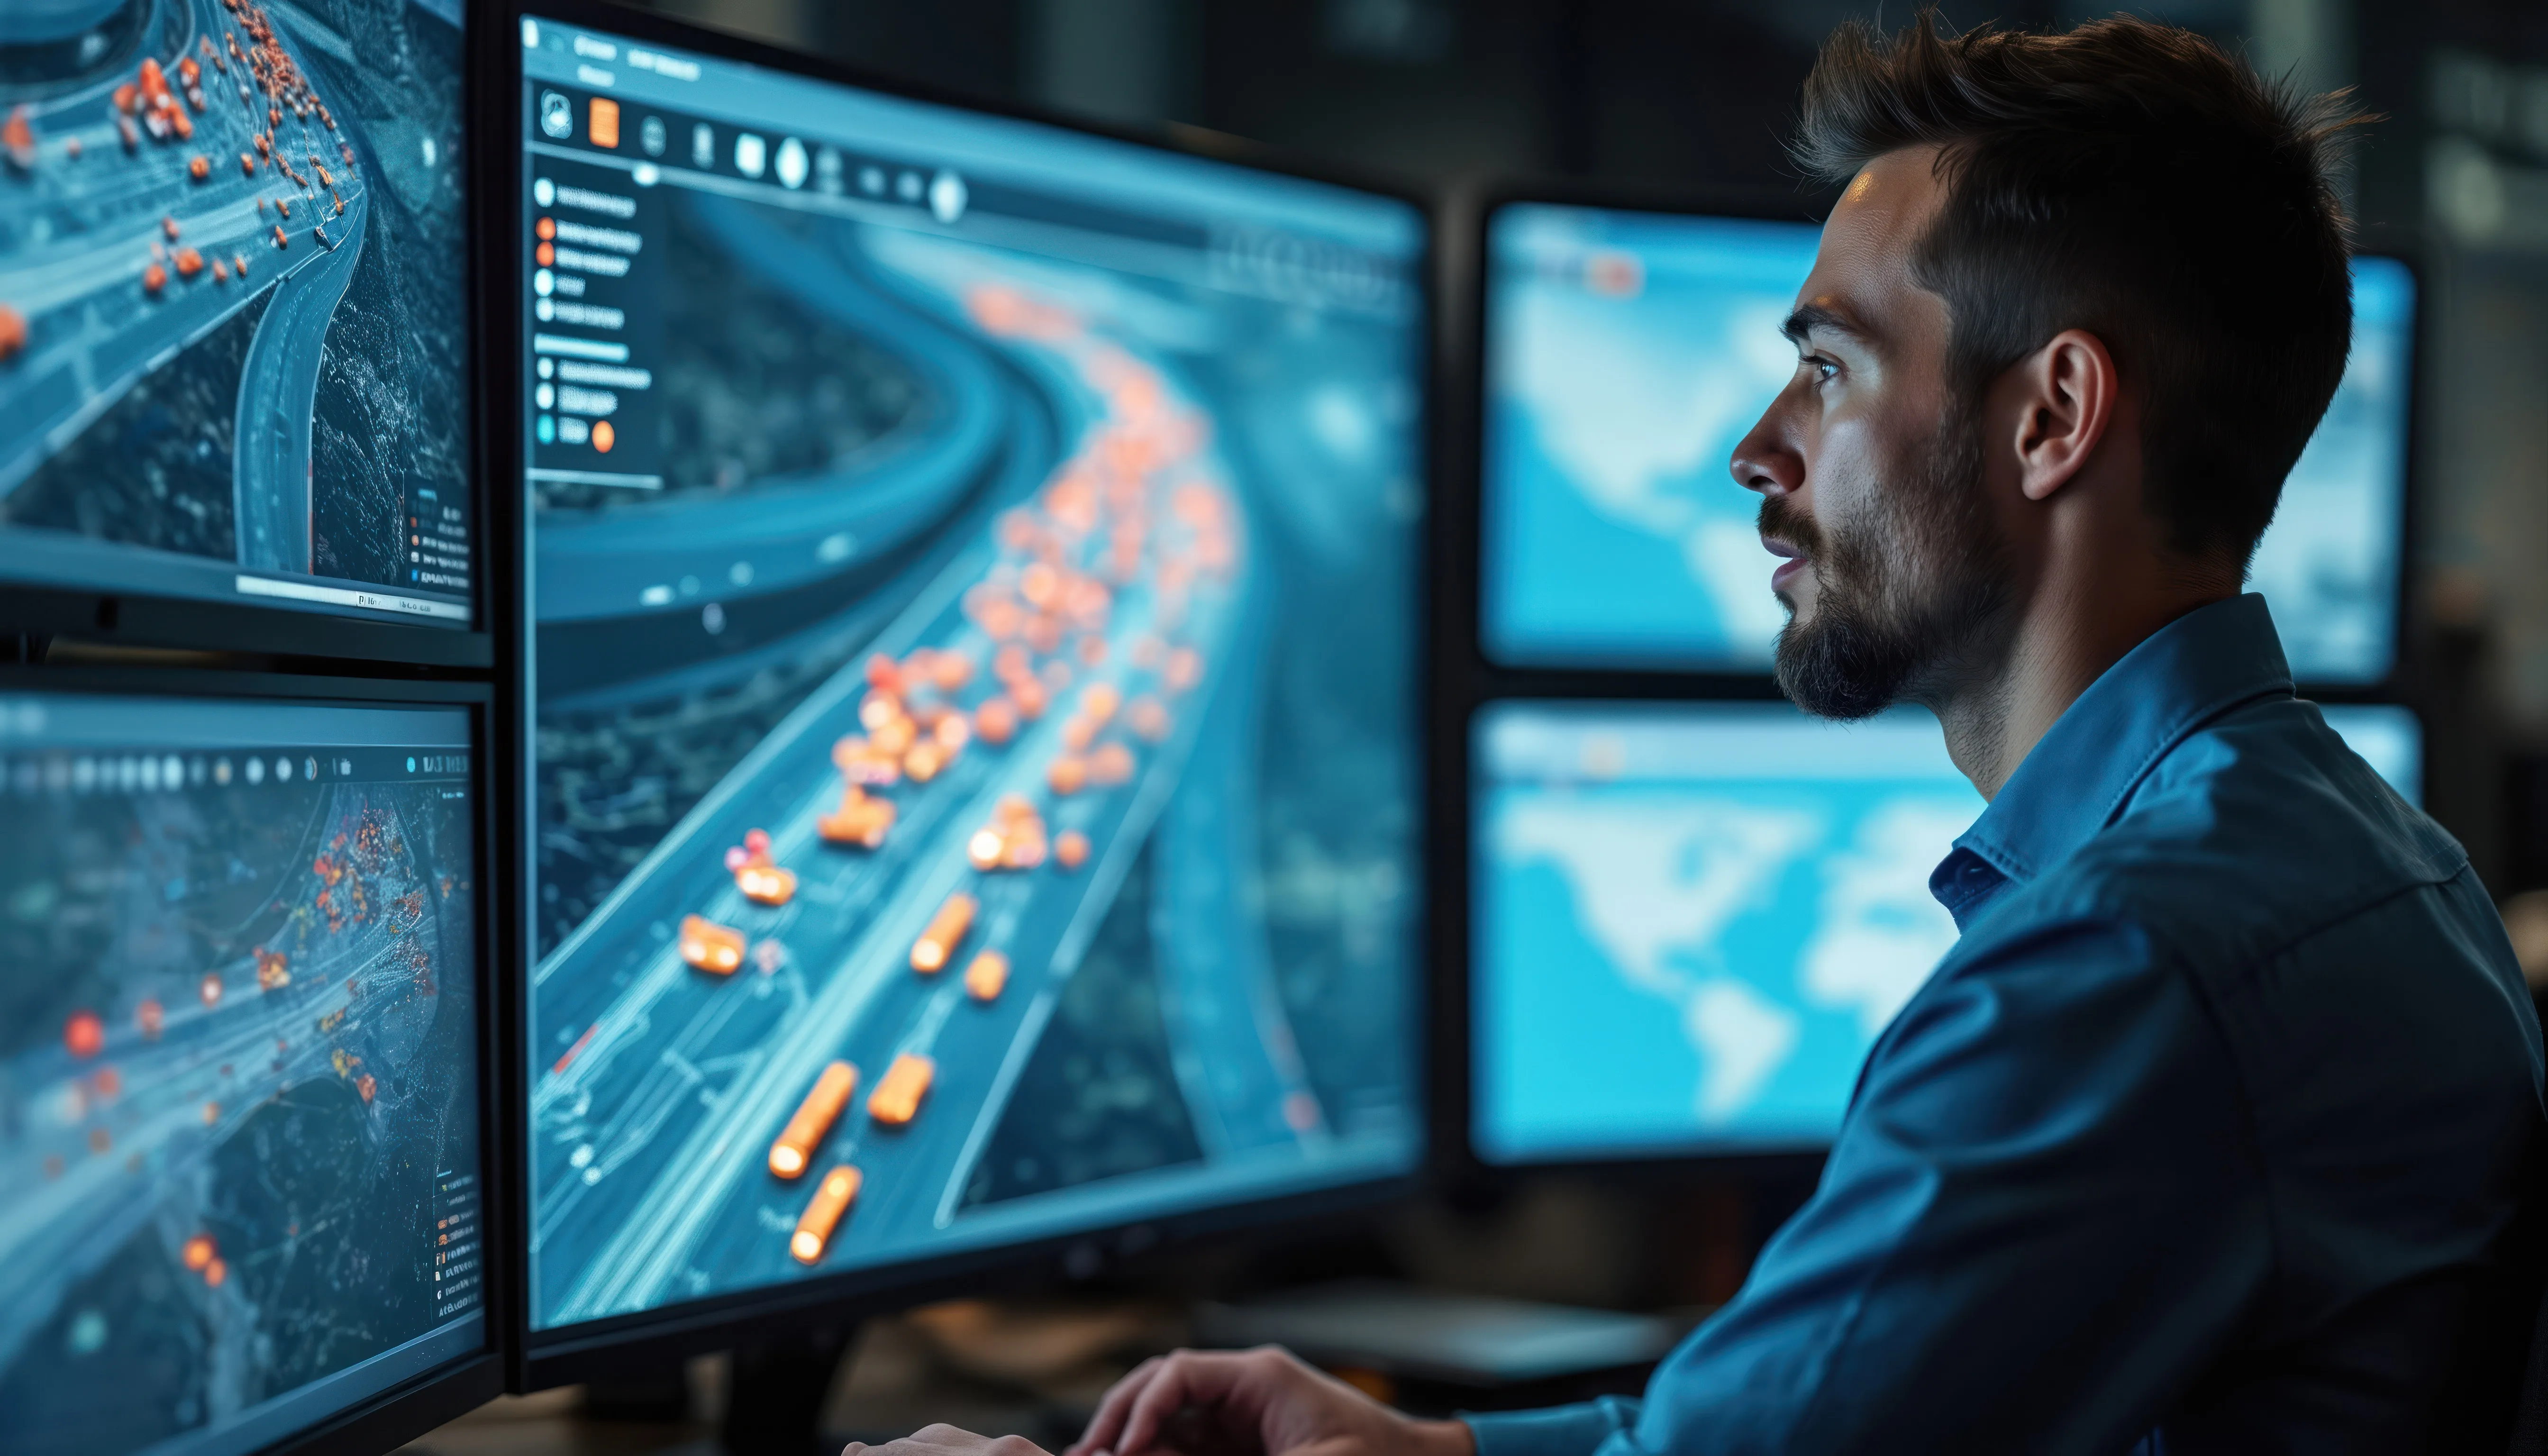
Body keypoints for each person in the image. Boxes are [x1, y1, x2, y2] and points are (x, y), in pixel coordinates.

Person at [845, 11, 2545, 1455]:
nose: (1759, 444)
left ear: (2053, 419)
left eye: (1832, 365)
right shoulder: (2365, 862)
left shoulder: (2125, 968)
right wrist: (1431, 1448)